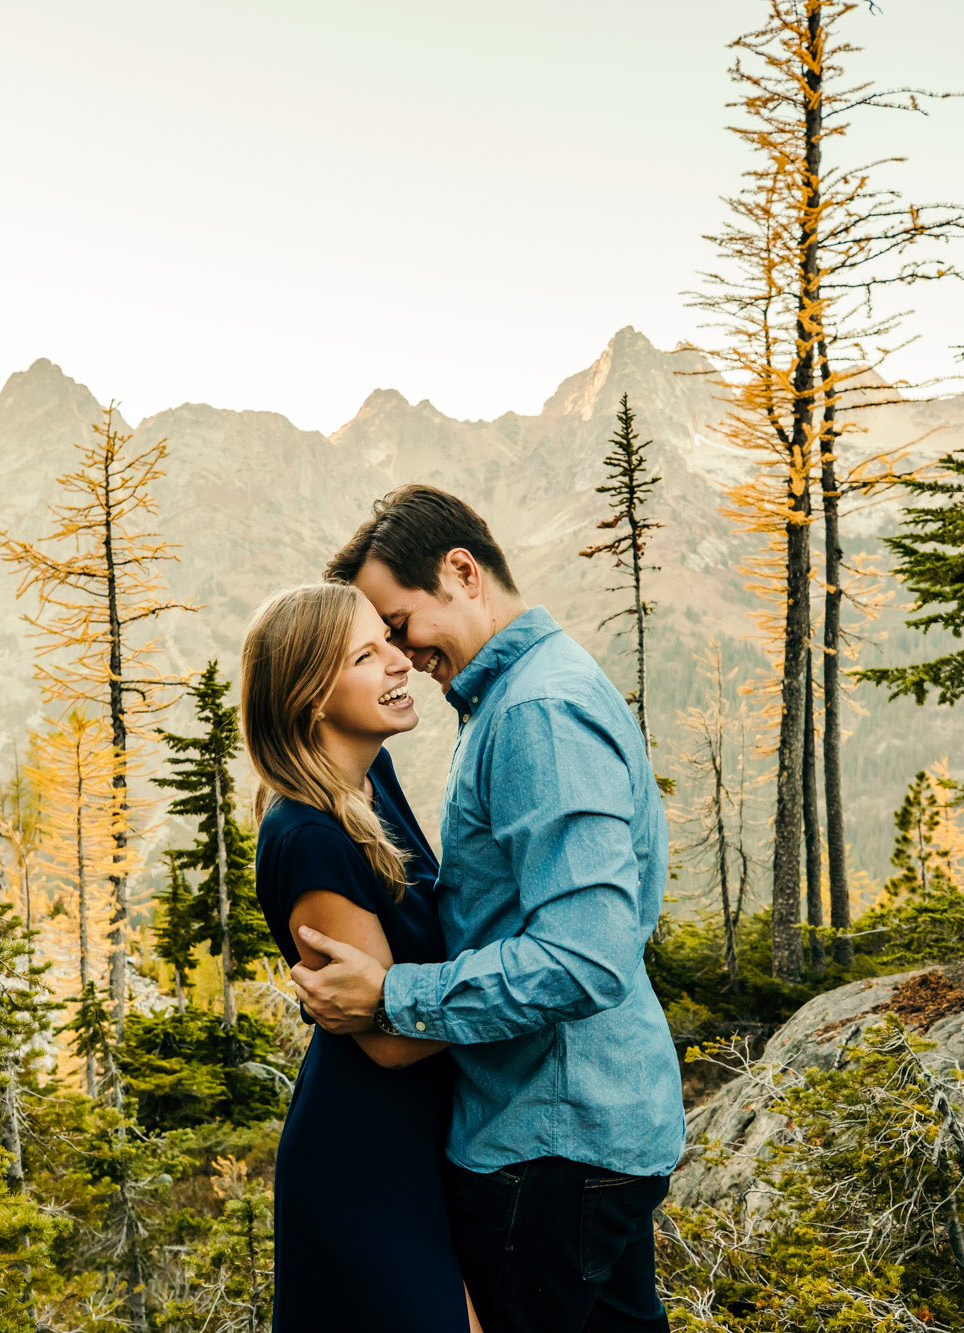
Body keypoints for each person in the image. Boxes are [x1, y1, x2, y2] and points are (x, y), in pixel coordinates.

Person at [291, 483, 684, 1333]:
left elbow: (586, 954)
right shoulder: (528, 692)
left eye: (398, 625)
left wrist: (395, 997)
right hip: (588, 1129)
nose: (401, 654)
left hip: (548, 1143)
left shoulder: (537, 712)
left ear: (461, 572)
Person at [240, 581, 483, 1333]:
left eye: (390, 639)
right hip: (365, 1161)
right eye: (366, 655)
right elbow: (385, 1035)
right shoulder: (308, 835)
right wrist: (541, 994)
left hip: (419, 1144)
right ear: (313, 695)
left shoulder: (367, 779)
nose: (400, 662)